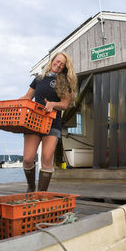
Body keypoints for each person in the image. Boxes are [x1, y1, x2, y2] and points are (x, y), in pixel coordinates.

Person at [20, 52, 77, 192]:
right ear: (52, 61)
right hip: (33, 122)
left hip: (52, 123)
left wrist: (52, 104)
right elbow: (27, 97)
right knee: (27, 159)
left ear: (64, 67)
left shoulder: (65, 82)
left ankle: (41, 194)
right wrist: (15, 104)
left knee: (46, 158)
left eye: (62, 64)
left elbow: (64, 104)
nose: (58, 65)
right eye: (57, 61)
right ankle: (31, 188)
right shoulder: (39, 78)